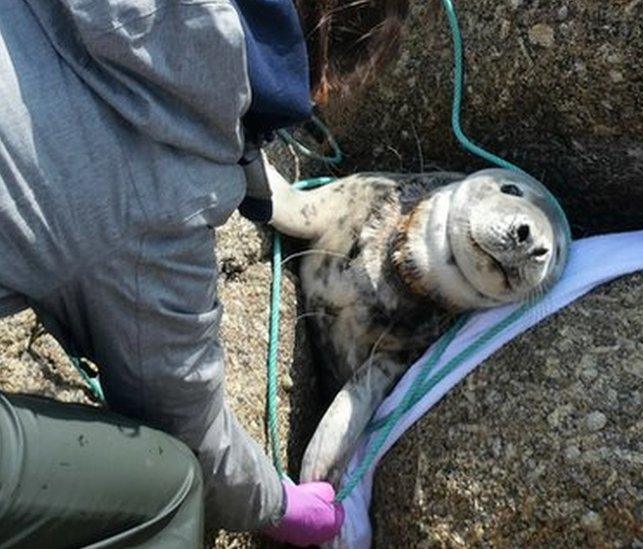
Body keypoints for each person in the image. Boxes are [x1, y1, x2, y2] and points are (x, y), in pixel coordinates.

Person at [0, 0, 405, 546]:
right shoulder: (162, 204)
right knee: (166, 493)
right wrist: (278, 504)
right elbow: (185, 420)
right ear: (322, 82)